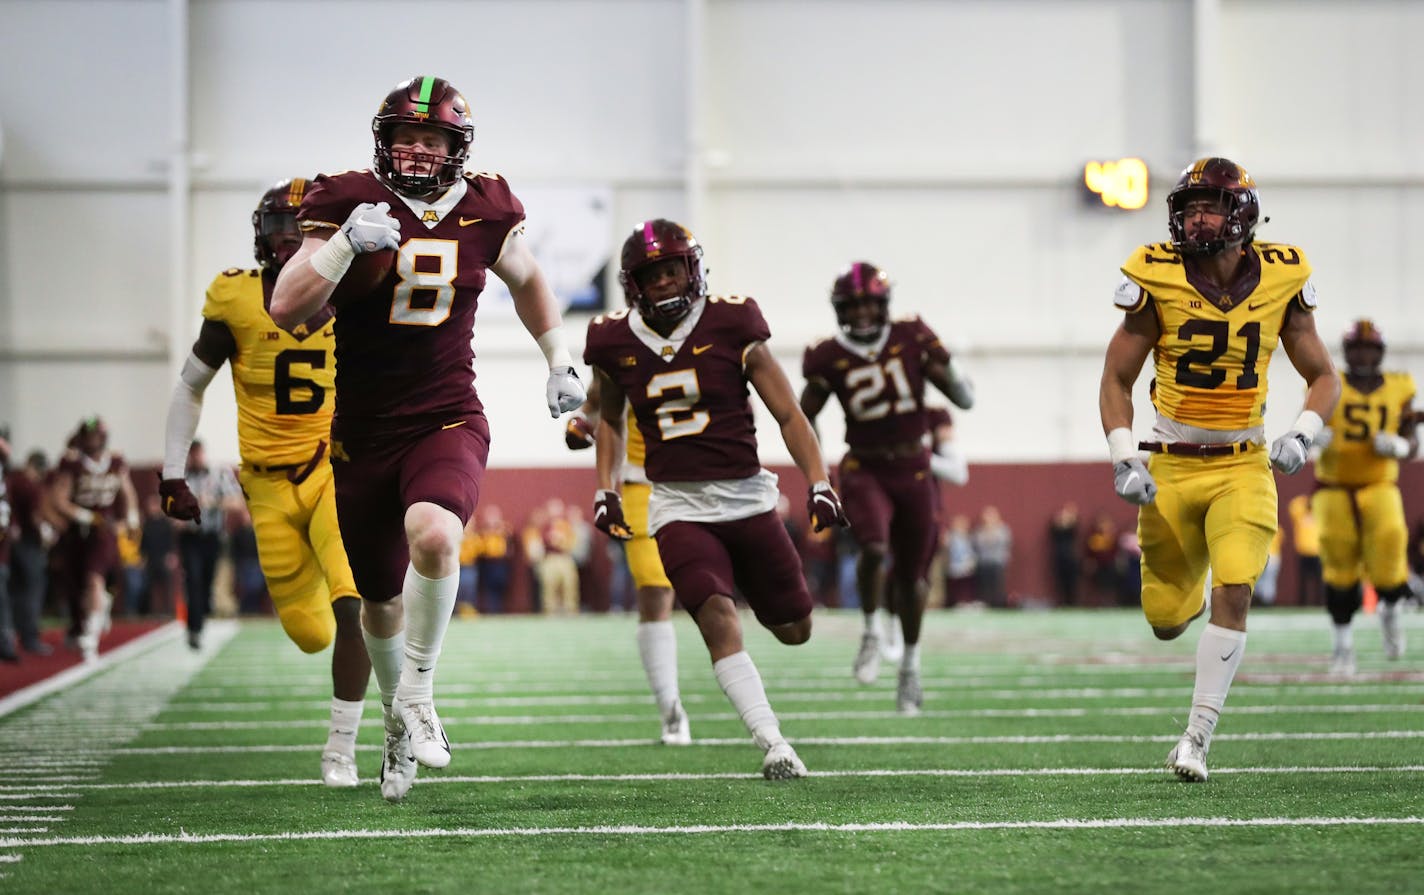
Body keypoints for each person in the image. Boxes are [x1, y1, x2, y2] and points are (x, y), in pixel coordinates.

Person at [269, 76, 585, 802]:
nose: (417, 149)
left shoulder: (485, 204)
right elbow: (286, 306)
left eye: (432, 138)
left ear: (457, 148)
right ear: (383, 142)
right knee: (379, 600)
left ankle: (418, 692)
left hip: (447, 413)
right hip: (360, 430)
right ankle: (393, 721)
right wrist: (343, 244)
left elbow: (529, 277)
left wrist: (558, 357)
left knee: (436, 534)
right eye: (406, 137)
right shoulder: (346, 198)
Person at [1099, 157, 1340, 783]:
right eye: (1189, 207)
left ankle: (1195, 740)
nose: (1195, 218)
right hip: (1171, 465)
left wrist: (1304, 433)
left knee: (1235, 591)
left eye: (1209, 206)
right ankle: (1190, 582)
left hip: (1244, 463)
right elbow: (1117, 378)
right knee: (1165, 620)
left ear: (1242, 215)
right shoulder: (1156, 274)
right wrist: (1124, 457)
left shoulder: (1283, 277)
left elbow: (1323, 376)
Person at [584, 218, 847, 778]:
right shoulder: (614, 339)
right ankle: (774, 742)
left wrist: (820, 481)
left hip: (748, 499)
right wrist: (605, 488)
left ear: (693, 269)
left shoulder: (733, 322)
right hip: (676, 505)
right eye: (651, 275)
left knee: (795, 629)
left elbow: (789, 414)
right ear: (634, 284)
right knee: (714, 614)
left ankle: (749, 582)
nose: (663, 282)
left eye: (673, 269)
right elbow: (608, 418)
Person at [158, 178, 372, 787]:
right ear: (262, 235)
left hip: (334, 468)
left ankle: (341, 747)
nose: (290, 240)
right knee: (310, 635)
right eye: (281, 226)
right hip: (268, 487)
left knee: (353, 597)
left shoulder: (356, 294)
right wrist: (173, 471)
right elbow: (190, 384)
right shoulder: (236, 298)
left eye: (302, 226)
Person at [799, 261, 974, 713]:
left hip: (915, 468)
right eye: (851, 305)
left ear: (882, 305)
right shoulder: (825, 355)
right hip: (864, 467)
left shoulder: (911, 336)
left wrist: (948, 363)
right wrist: (818, 473)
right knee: (873, 549)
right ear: (840, 309)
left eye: (867, 304)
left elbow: (964, 398)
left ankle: (910, 667)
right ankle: (872, 630)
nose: (860, 313)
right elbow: (803, 416)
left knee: (914, 578)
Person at [566, 373, 692, 744]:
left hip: (707, 480)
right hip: (643, 483)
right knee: (654, 590)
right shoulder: (620, 344)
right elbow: (592, 408)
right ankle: (671, 707)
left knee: (717, 596)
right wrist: (581, 423)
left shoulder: (715, 328)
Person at [1310, 319, 1417, 673]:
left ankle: (1389, 609)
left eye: (1369, 349)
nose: (1363, 356)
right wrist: (1311, 434)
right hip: (1334, 487)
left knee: (1389, 555)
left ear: (1380, 353)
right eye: (1357, 349)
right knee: (1338, 568)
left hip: (1379, 484)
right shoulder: (1330, 382)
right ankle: (1343, 649)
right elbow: (1308, 419)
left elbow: (1412, 435)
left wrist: (1402, 445)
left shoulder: (1400, 386)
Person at [49, 417, 140, 662]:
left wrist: (131, 517)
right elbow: (59, 499)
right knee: (76, 586)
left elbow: (127, 492)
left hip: (104, 530)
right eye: (88, 436)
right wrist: (85, 516)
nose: (92, 441)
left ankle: (90, 636)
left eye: (96, 436)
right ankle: (92, 616)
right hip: (77, 531)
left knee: (93, 577)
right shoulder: (73, 463)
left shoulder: (115, 461)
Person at [171, 440, 243, 649]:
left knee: (206, 581)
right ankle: (195, 629)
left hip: (211, 536)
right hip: (190, 536)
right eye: (191, 454)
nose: (195, 458)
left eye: (197, 453)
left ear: (203, 453)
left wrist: (211, 501)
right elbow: (169, 509)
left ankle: (202, 612)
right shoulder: (179, 478)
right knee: (193, 579)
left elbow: (237, 502)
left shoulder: (219, 473)